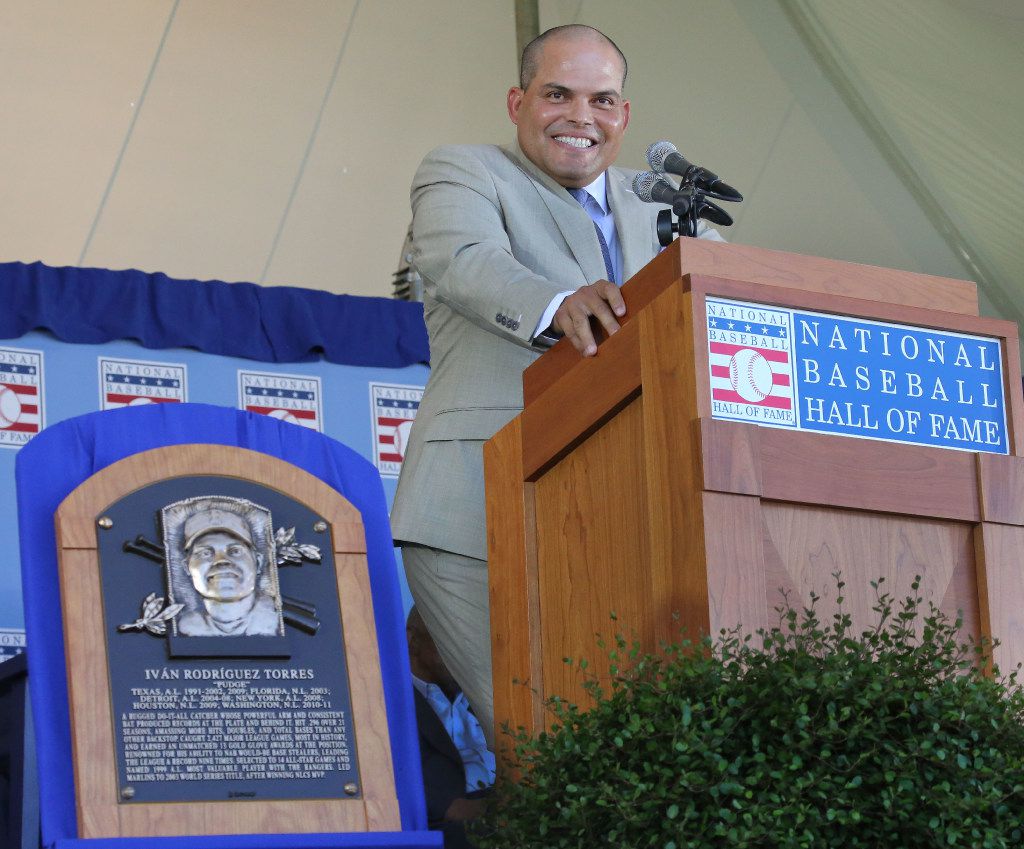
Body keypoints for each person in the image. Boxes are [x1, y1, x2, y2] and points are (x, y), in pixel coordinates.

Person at [390, 24, 724, 745]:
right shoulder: (464, 171)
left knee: (633, 755)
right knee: (549, 746)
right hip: (476, 516)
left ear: (625, 116)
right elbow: (468, 260)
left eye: (602, 99)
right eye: (557, 95)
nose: (581, 117)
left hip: (629, 519)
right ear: (518, 102)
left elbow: (728, 306)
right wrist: (555, 304)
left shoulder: (664, 206)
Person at [408, 607, 493, 848]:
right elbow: (453, 809)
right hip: (458, 825)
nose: (463, 651)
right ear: (412, 641)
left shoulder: (481, 694)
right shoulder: (392, 704)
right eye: (450, 638)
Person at [176, 504, 282, 637]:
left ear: (258, 562)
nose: (221, 560)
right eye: (205, 553)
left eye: (235, 551)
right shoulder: (183, 626)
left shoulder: (277, 621)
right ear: (187, 568)